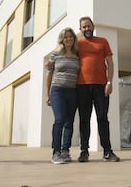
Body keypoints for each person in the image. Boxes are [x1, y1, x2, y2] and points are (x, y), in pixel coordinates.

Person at [77, 16, 120, 162]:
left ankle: (107, 151)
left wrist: (109, 82)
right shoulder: (77, 44)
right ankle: (84, 151)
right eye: (84, 27)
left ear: (93, 26)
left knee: (102, 118)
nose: (87, 29)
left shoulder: (103, 42)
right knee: (84, 119)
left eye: (89, 26)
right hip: (82, 86)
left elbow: (110, 63)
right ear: (80, 29)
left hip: (101, 86)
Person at [45, 27, 80, 164]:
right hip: (57, 90)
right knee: (59, 119)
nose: (68, 39)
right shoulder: (55, 55)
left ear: (74, 38)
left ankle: (66, 151)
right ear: (62, 39)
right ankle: (56, 153)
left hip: (73, 92)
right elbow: (49, 74)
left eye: (70, 36)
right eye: (65, 37)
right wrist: (47, 94)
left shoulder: (78, 55)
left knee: (69, 122)